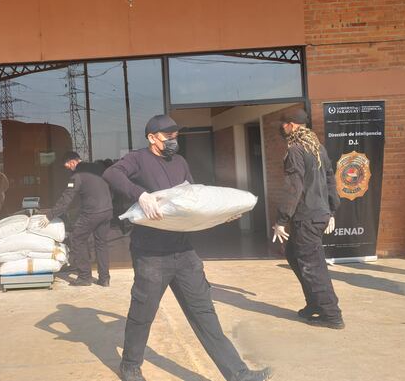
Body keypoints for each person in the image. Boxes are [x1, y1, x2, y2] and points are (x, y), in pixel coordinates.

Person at [103, 114, 270, 381]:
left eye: (175, 136)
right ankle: (130, 366)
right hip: (151, 253)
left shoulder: (180, 162)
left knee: (204, 312)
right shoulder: (138, 159)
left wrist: (222, 215)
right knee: (143, 312)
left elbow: (195, 201)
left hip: (183, 252)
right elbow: (111, 173)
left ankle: (239, 374)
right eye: (168, 137)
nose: (173, 141)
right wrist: (140, 195)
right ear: (152, 138)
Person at [272, 109, 343, 329]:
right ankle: (314, 304)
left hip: (307, 217)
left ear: (292, 126)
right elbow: (330, 180)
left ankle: (332, 314)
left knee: (313, 266)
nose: (281, 128)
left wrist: (281, 220)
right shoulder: (318, 148)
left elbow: (294, 187)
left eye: (283, 124)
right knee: (294, 255)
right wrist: (331, 210)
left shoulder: (296, 150)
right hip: (318, 214)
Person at [38, 151, 113, 287]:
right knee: (101, 243)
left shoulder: (77, 176)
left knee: (77, 239)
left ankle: (84, 277)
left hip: (92, 213)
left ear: (72, 162)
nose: (67, 168)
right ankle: (104, 279)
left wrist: (50, 215)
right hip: (107, 210)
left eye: (67, 165)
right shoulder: (97, 168)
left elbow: (66, 200)